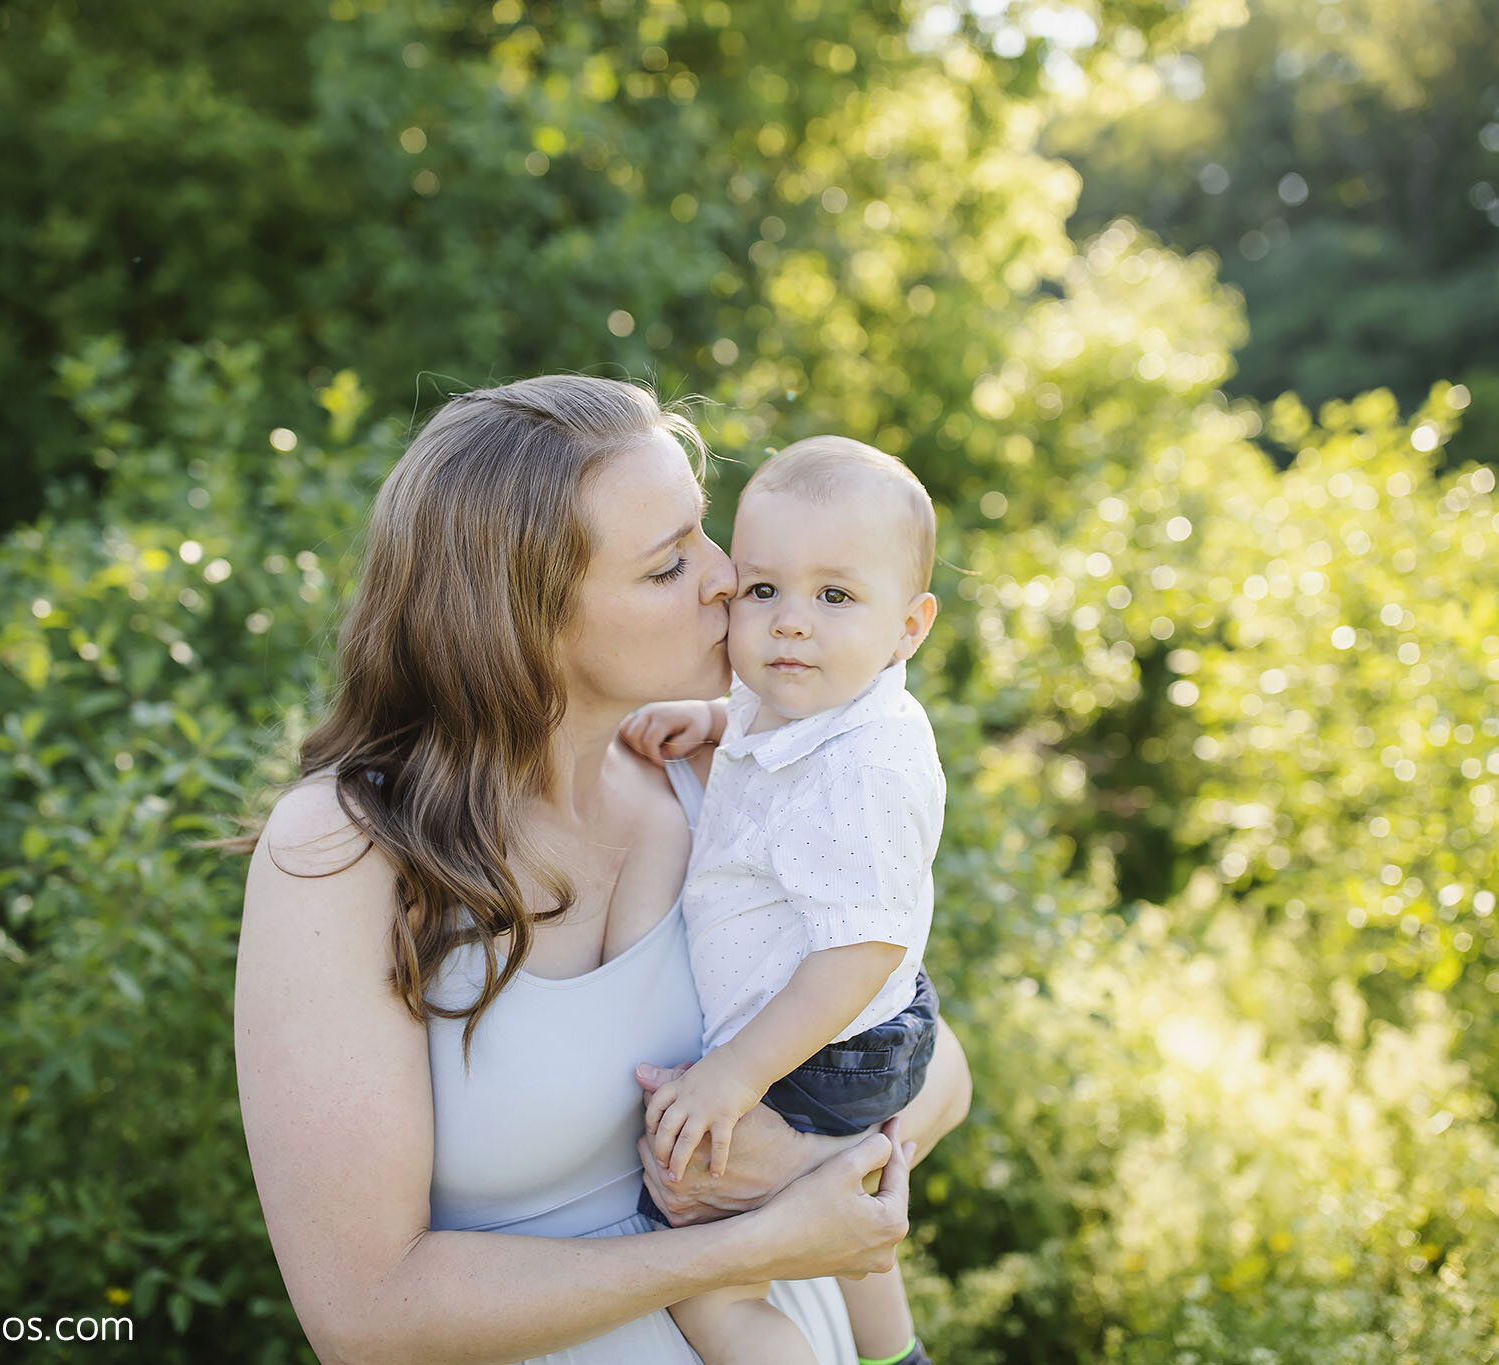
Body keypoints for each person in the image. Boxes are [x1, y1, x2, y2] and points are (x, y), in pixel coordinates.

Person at [225, 375, 974, 1364]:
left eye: (704, 533)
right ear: (519, 621)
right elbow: (365, 1316)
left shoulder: (717, 762)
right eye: (669, 567)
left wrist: (804, 1163)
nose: (726, 577)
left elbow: (934, 1059)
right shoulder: (342, 855)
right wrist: (747, 1245)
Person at [617, 436, 946, 1365]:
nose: (790, 622)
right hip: (852, 1034)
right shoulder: (807, 702)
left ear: (910, 627)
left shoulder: (869, 766)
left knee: (710, 1275)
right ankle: (895, 1357)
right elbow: (774, 731)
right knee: (850, 1240)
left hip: (816, 1046)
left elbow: (863, 950)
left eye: (835, 595)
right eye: (764, 590)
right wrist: (718, 720)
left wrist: (737, 1074)